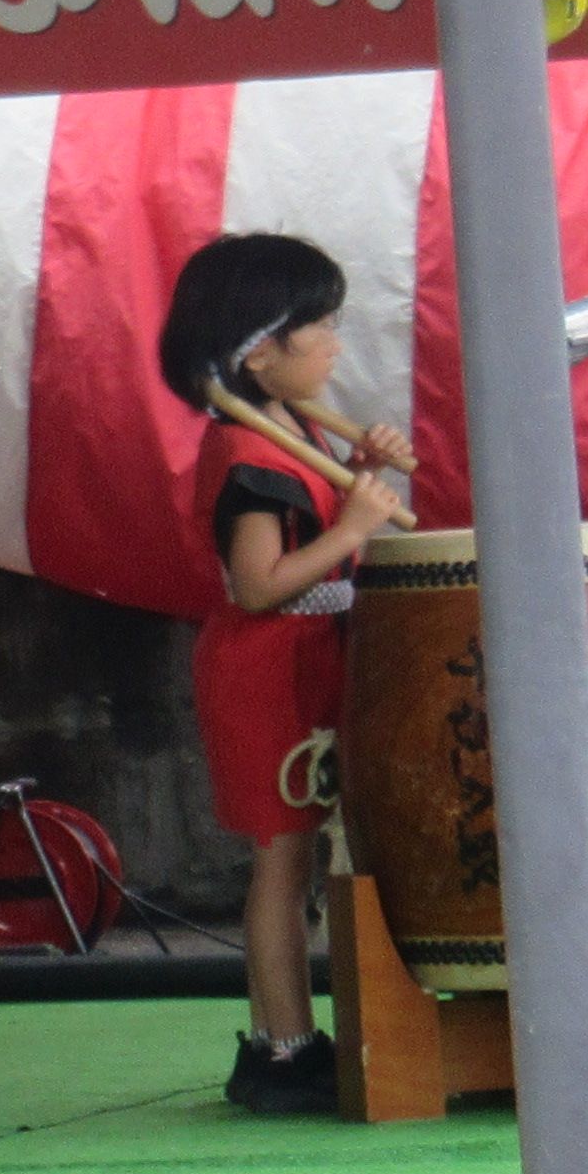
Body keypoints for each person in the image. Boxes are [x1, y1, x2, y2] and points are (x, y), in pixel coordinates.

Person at [167, 233, 412, 1117]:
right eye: (322, 326)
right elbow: (258, 582)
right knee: (282, 859)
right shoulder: (245, 452)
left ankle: (306, 1034)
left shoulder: (285, 431)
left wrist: (363, 474)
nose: (336, 343)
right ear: (260, 353)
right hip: (266, 670)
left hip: (310, 660)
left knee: (308, 854)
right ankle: (283, 1046)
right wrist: (354, 530)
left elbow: (321, 525)